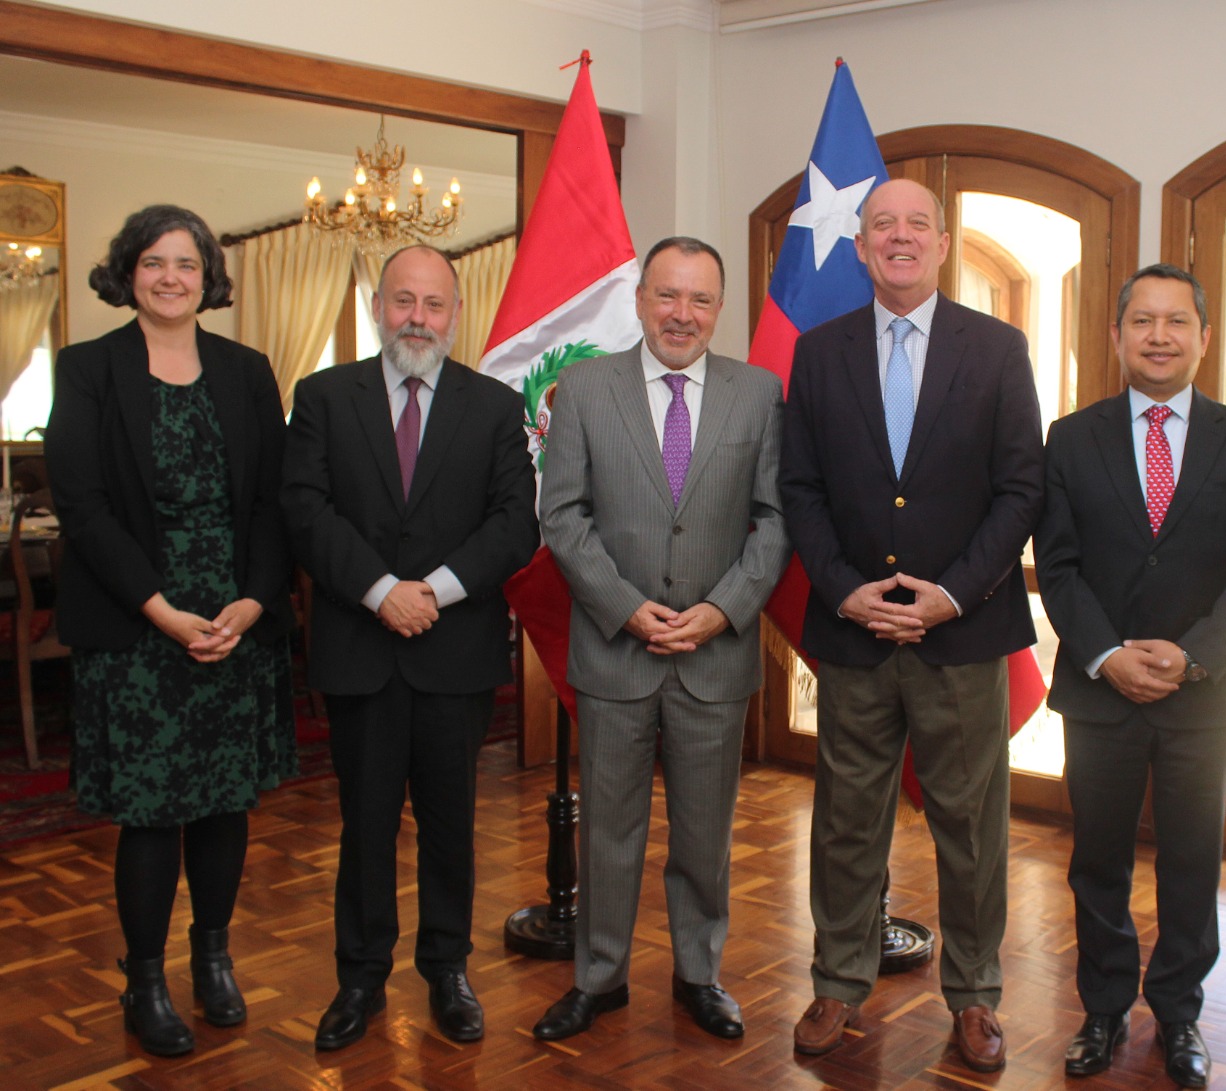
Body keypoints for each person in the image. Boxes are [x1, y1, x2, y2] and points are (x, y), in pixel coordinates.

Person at [779, 178, 1043, 1073]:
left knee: (971, 828)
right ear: (860, 247)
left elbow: (1021, 491)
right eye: (881, 225)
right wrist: (845, 587)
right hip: (853, 632)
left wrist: (954, 594)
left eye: (915, 226)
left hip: (961, 635)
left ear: (940, 244)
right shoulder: (818, 354)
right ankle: (836, 984)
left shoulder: (999, 348)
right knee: (848, 822)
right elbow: (801, 488)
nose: (898, 238)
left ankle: (973, 999)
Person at [45, 204, 296, 1057]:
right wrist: (160, 609)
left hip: (232, 619)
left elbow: (273, 501)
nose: (169, 278)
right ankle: (144, 978)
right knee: (151, 815)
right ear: (127, 272)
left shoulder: (248, 369)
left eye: (186, 264)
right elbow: (81, 505)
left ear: (208, 278)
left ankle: (214, 957)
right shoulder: (87, 370)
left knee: (225, 803)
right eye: (152, 262)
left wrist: (253, 604)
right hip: (137, 622)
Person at [281, 243, 538, 1051]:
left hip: (453, 649)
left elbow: (515, 523)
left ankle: (447, 968)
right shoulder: (324, 396)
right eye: (403, 301)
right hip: (360, 646)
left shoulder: (495, 405)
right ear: (378, 307)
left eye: (433, 304)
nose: (417, 318)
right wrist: (379, 589)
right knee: (363, 823)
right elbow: (304, 508)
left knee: (451, 822)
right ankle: (359, 977)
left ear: (455, 315)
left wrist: (435, 589)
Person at [531, 237, 788, 1042]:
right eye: (668, 296)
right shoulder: (583, 388)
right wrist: (626, 607)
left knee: (706, 835)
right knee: (607, 832)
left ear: (720, 309)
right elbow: (562, 515)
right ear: (640, 300)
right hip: (616, 649)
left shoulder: (758, 394)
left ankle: (698, 974)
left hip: (716, 651)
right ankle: (599, 979)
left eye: (701, 299)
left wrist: (722, 608)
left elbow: (777, 520)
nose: (683, 314)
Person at [1035, 265, 1226, 1088]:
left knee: (1192, 861)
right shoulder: (1070, 438)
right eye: (1143, 320)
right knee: (1096, 859)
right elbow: (1059, 566)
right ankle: (1103, 1007)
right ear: (1116, 336)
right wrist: (1108, 654)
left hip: (1204, 697)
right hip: (1098, 691)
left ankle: (1179, 1013)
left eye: (1179, 321)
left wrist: (1196, 653)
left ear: (1205, 338)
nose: (1160, 335)